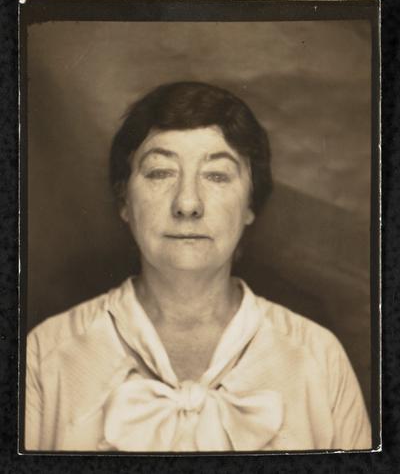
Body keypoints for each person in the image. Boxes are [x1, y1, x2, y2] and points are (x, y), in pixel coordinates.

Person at [25, 81, 371, 451]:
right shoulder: (46, 356)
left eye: (217, 175)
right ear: (124, 199)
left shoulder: (318, 358)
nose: (188, 204)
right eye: (160, 172)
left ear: (251, 204)